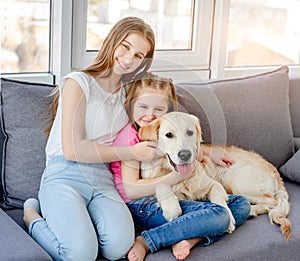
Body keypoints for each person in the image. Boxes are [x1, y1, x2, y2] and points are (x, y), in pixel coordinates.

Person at [23, 17, 162, 261]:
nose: (129, 59)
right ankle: (32, 217)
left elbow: (159, 112)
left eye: (139, 55)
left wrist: (203, 152)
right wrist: (131, 153)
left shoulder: (128, 95)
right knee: (79, 255)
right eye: (125, 46)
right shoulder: (78, 82)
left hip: (102, 178)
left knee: (119, 247)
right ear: (111, 41)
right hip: (65, 173)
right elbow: (73, 150)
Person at [110, 74, 251, 261]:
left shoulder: (163, 130)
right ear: (131, 105)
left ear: (167, 111)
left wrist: (207, 153)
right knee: (220, 215)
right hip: (141, 206)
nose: (150, 114)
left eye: (158, 109)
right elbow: (132, 190)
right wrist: (175, 178)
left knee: (241, 204)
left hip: (166, 199)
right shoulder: (130, 139)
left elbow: (177, 147)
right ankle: (148, 240)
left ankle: (191, 238)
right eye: (143, 107)